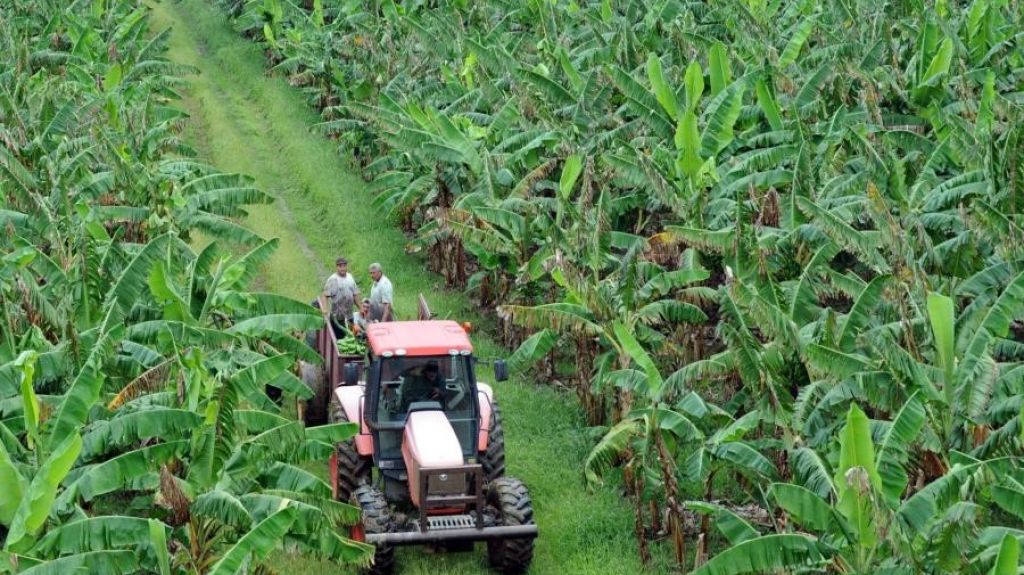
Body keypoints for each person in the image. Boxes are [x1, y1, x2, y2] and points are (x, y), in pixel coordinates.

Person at [323, 257, 360, 338]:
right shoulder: (333, 279)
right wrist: (325, 310)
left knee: (352, 336)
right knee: (340, 339)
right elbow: (325, 295)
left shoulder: (350, 277)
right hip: (337, 317)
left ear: (346, 266)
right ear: (336, 267)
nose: (342, 268)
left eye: (344, 266)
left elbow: (355, 294)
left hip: (349, 315)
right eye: (340, 266)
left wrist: (360, 308)